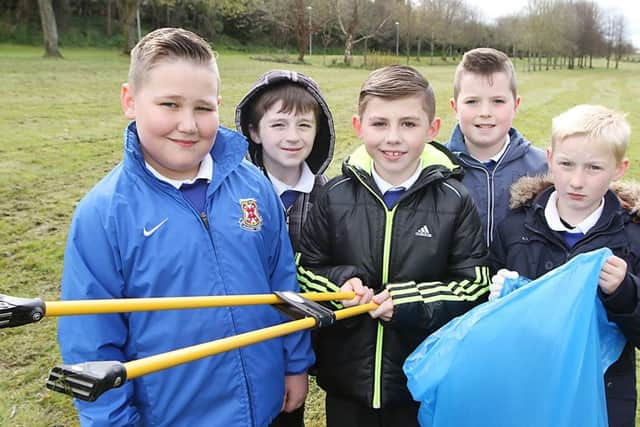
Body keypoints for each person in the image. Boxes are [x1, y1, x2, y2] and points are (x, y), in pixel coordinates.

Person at [57, 28, 314, 427]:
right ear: (130, 100)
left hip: (267, 406)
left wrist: (295, 363)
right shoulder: (103, 214)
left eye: (203, 108)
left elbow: (282, 283)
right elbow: (90, 342)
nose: (189, 125)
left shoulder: (253, 185)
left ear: (219, 106)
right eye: (169, 104)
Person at [296, 65, 490, 427]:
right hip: (346, 381)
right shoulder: (333, 195)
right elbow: (306, 270)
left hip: (418, 381)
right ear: (359, 126)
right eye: (380, 124)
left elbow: (475, 286)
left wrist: (411, 301)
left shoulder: (455, 200)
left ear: (432, 129)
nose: (393, 138)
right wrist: (340, 287)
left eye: (409, 124)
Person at [489, 104, 640, 427]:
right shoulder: (516, 228)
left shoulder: (632, 238)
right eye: (566, 164)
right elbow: (485, 319)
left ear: (619, 168)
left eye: (594, 168)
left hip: (602, 395)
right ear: (549, 158)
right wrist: (498, 297)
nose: (577, 180)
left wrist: (624, 291)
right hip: (526, 390)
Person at [235, 70, 334, 426]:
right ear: (253, 132)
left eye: (304, 125)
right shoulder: (235, 199)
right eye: (278, 125)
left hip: (303, 340)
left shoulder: (331, 195)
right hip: (249, 340)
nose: (292, 137)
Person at [445, 47, 547, 245]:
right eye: (472, 101)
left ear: (515, 105)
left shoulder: (543, 169)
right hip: (457, 276)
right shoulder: (436, 167)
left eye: (498, 101)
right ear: (455, 107)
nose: (485, 112)